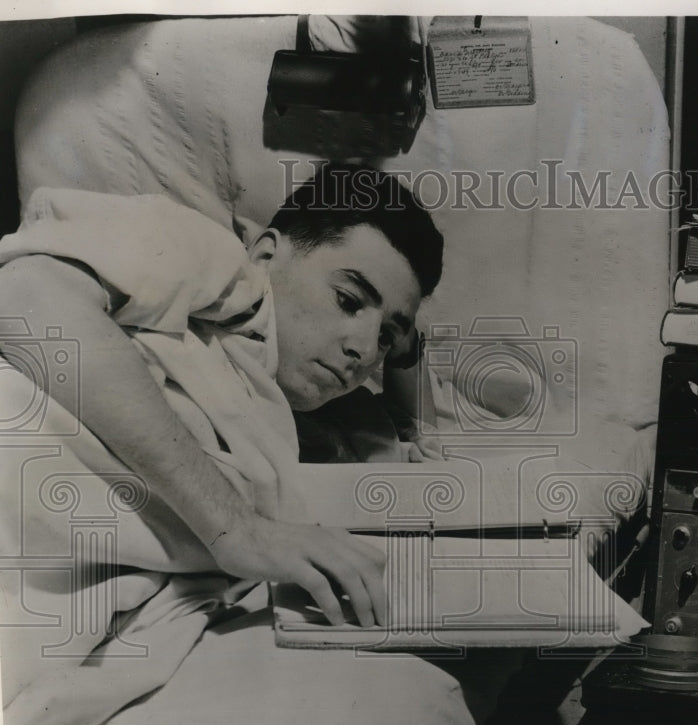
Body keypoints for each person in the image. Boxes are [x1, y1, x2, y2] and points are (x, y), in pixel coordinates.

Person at [0, 162, 442, 633]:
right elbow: (30, 298)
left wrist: (406, 349)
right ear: (267, 255)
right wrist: (237, 529)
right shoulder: (224, 268)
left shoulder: (314, 417)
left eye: (386, 336)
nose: (363, 348)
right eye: (348, 301)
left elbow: (426, 451)